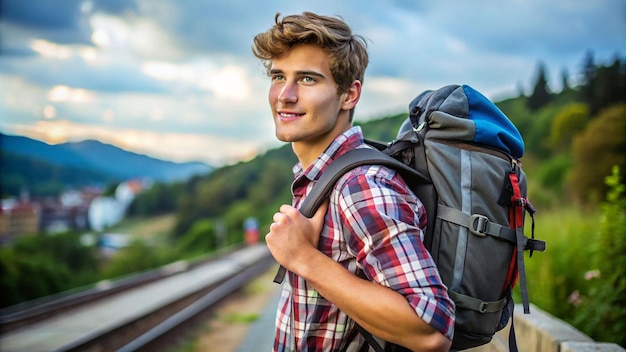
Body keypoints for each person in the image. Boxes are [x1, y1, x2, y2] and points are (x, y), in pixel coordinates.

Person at [252, 12, 455, 352]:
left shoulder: (360, 185)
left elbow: (431, 328)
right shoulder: (325, 176)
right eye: (278, 76)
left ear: (349, 95)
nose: (284, 95)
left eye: (306, 80)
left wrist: (304, 259)